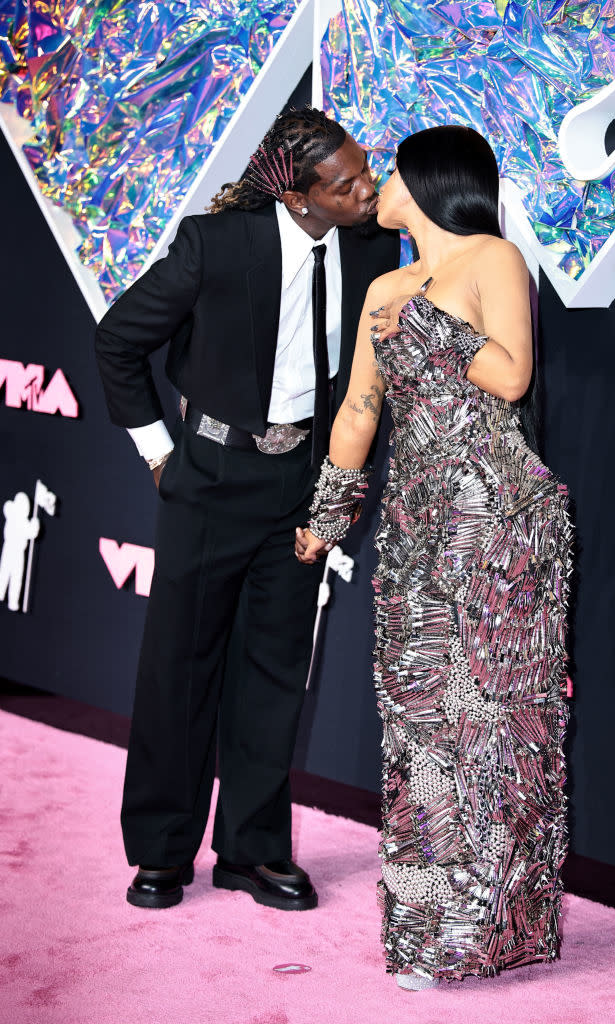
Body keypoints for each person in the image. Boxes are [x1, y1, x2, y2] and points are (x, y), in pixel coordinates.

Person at [95, 107, 400, 911]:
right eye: (348, 183)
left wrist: (333, 489)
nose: (369, 189)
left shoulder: (372, 246)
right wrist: (160, 453)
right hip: (213, 475)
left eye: (366, 171)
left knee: (271, 674)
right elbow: (118, 340)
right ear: (300, 196)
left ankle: (252, 850)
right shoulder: (215, 244)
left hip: (301, 479)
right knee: (179, 670)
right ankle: (161, 851)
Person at [297, 125, 572, 987]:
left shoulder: (491, 258)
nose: (373, 186)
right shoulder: (381, 280)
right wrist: (326, 516)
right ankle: (431, 933)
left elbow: (511, 375)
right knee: (421, 736)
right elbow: (356, 413)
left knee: (496, 732)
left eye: (387, 173)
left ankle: (500, 931)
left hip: (499, 530)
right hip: (417, 534)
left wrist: (422, 323)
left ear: (423, 181)